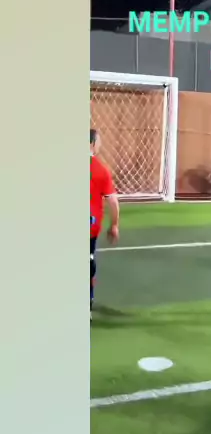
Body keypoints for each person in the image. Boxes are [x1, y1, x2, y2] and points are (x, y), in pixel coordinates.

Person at [90, 129, 120, 320]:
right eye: (99, 142)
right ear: (92, 144)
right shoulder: (100, 170)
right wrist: (114, 225)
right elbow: (113, 202)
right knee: (88, 264)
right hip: (89, 228)